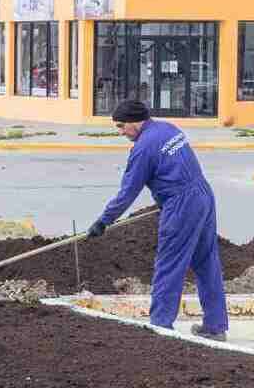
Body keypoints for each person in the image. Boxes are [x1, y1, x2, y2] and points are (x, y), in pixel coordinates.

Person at [87, 99, 229, 342]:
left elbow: (128, 192)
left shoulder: (143, 148)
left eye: (121, 127)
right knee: (207, 262)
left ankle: (160, 327)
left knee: (169, 264)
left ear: (135, 122)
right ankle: (215, 326)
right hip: (203, 194)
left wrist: (104, 220)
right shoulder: (168, 129)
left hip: (181, 204)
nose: (121, 132)